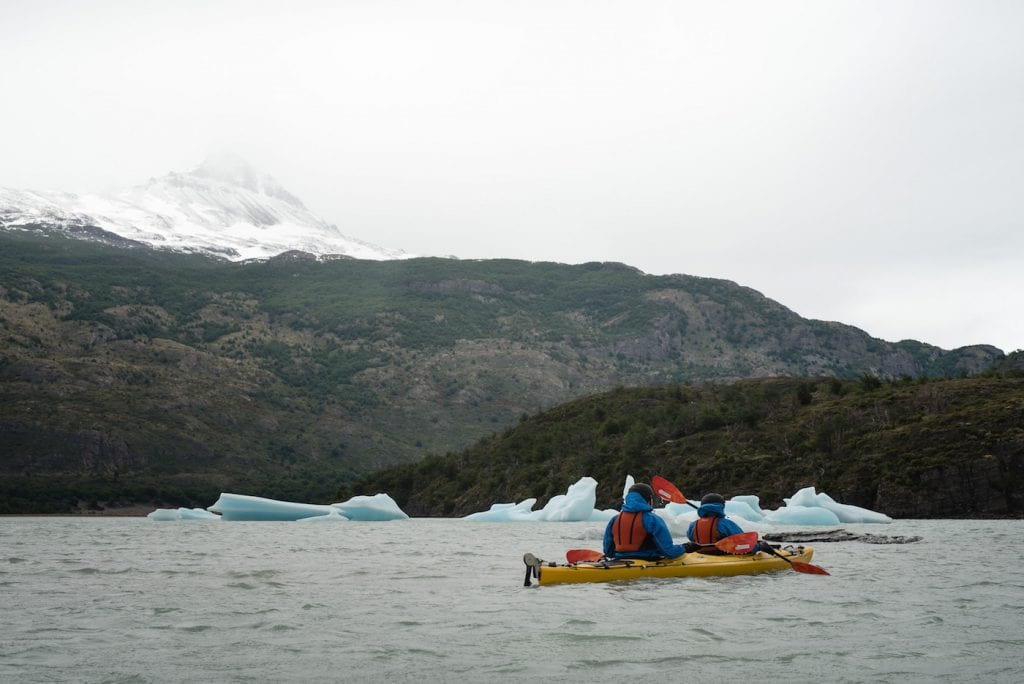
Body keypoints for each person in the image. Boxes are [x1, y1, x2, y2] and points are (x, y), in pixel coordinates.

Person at [603, 483, 690, 560]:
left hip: (620, 560)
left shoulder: (614, 519)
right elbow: (670, 552)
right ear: (648, 499)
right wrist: (687, 547)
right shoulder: (653, 519)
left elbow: (608, 552)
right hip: (648, 560)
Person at [686, 492, 765, 555]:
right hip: (723, 554)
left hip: (701, 554)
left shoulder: (693, 525)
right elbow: (742, 542)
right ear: (721, 507)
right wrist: (759, 547)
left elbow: (691, 539)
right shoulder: (726, 523)